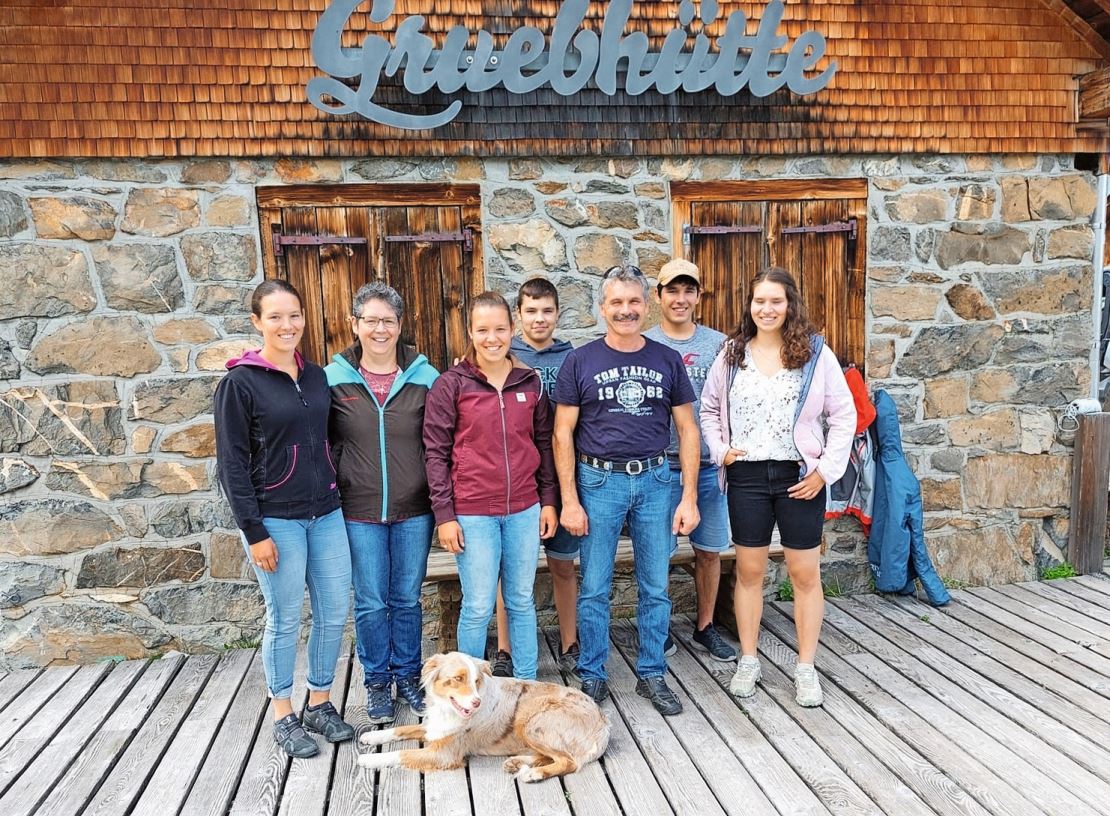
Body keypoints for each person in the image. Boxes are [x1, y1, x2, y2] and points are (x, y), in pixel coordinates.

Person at [700, 267, 855, 707]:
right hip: (747, 476)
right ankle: (749, 659)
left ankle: (805, 668)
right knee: (749, 572)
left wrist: (824, 471)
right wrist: (719, 449)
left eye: (776, 301)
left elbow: (843, 416)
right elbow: (709, 408)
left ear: (790, 305)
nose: (766, 309)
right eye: (759, 301)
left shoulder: (815, 353)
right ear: (749, 306)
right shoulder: (731, 353)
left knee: (805, 574)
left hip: (799, 478)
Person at [214, 279, 354, 758]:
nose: (287, 324)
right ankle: (283, 712)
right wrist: (254, 531)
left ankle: (319, 700)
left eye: (293, 315)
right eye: (275, 316)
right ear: (257, 322)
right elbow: (231, 464)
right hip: (276, 520)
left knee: (335, 609)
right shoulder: (238, 384)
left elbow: (330, 441)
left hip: (327, 513)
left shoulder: (315, 376)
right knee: (285, 616)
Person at [552, 265, 700, 716]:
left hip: (656, 481)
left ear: (646, 304)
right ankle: (593, 674)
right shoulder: (580, 360)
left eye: (633, 301)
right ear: (602, 309)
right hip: (598, 482)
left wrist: (689, 496)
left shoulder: (666, 359)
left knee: (655, 586)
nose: (625, 310)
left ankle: (652, 672)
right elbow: (562, 433)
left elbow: (688, 429)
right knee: (594, 586)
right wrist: (571, 499)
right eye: (616, 302)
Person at [423, 291, 559, 681]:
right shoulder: (452, 385)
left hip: (523, 509)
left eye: (500, 328)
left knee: (520, 601)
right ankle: (467, 688)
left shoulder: (530, 382)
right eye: (482, 329)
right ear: (470, 331)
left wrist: (548, 501)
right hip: (472, 513)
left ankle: (527, 683)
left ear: (512, 329)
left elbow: (544, 444)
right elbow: (435, 453)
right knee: (479, 605)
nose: (492, 338)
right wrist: (445, 516)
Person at [325, 281, 439, 724]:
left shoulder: (427, 377)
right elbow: (323, 442)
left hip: (415, 508)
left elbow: (440, 443)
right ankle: (376, 682)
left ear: (399, 325)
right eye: (369, 320)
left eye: (387, 321)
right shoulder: (332, 379)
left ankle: (409, 676)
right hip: (358, 509)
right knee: (371, 600)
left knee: (407, 598)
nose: (378, 329)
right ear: (354, 324)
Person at [645, 258, 738, 663]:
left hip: (710, 465)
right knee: (657, 552)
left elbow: (735, 400)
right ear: (659, 296)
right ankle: (658, 627)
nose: (680, 299)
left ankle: (704, 626)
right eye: (672, 291)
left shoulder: (720, 345)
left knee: (709, 549)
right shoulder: (645, 343)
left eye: (688, 291)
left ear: (699, 296)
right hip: (660, 465)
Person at [488, 277, 579, 679]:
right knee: (511, 574)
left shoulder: (572, 357)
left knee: (563, 565)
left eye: (546, 311)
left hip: (561, 477)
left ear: (558, 314)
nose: (539, 319)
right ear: (518, 315)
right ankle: (506, 649)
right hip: (517, 480)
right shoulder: (502, 355)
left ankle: (570, 640)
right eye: (530, 311)